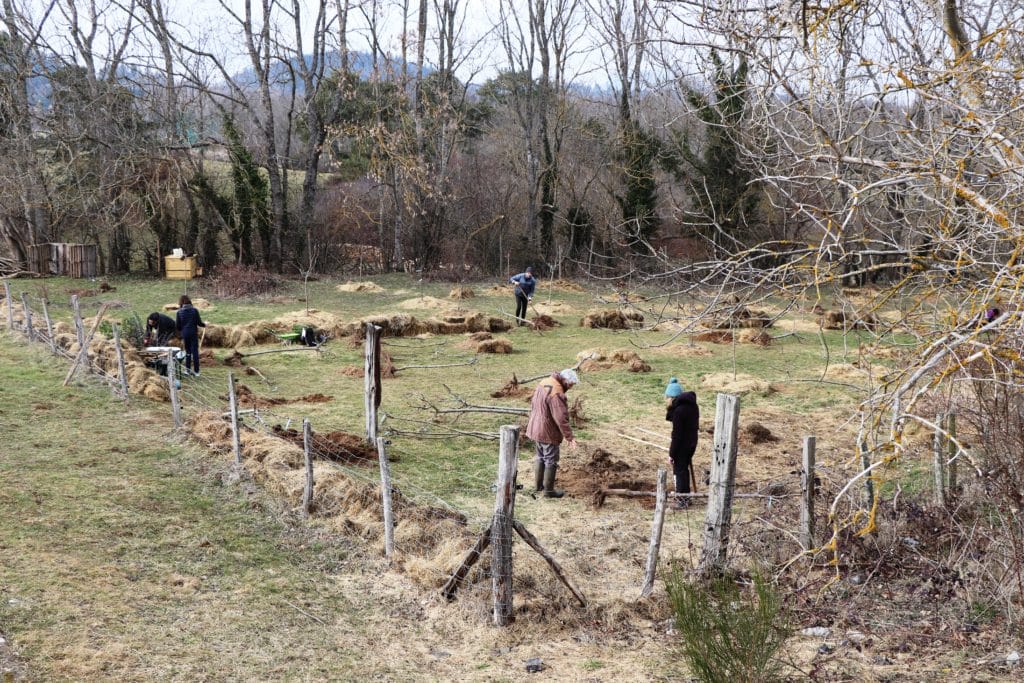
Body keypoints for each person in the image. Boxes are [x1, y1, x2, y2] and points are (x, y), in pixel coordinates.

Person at [526, 368, 579, 498]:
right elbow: (561, 418)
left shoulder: (545, 381)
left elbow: (533, 403)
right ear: (565, 380)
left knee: (540, 456)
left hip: (535, 426)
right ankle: (549, 491)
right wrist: (569, 437)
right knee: (551, 459)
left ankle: (538, 486)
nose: (571, 388)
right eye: (571, 385)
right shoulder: (557, 392)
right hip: (547, 431)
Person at [665, 377, 699, 510]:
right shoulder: (692, 405)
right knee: (683, 469)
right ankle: (685, 497)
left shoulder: (679, 411)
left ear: (671, 397)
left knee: (679, 470)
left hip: (683, 444)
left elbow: (677, 435)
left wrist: (671, 454)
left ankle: (682, 500)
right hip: (692, 442)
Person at [175, 295, 206, 376]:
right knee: (195, 352)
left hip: (185, 334)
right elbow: (199, 323)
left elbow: (177, 326)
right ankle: (196, 371)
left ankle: (187, 370)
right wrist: (205, 324)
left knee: (188, 352)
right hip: (193, 333)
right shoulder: (194, 310)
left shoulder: (179, 312)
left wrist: (182, 330)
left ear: (181, 302)